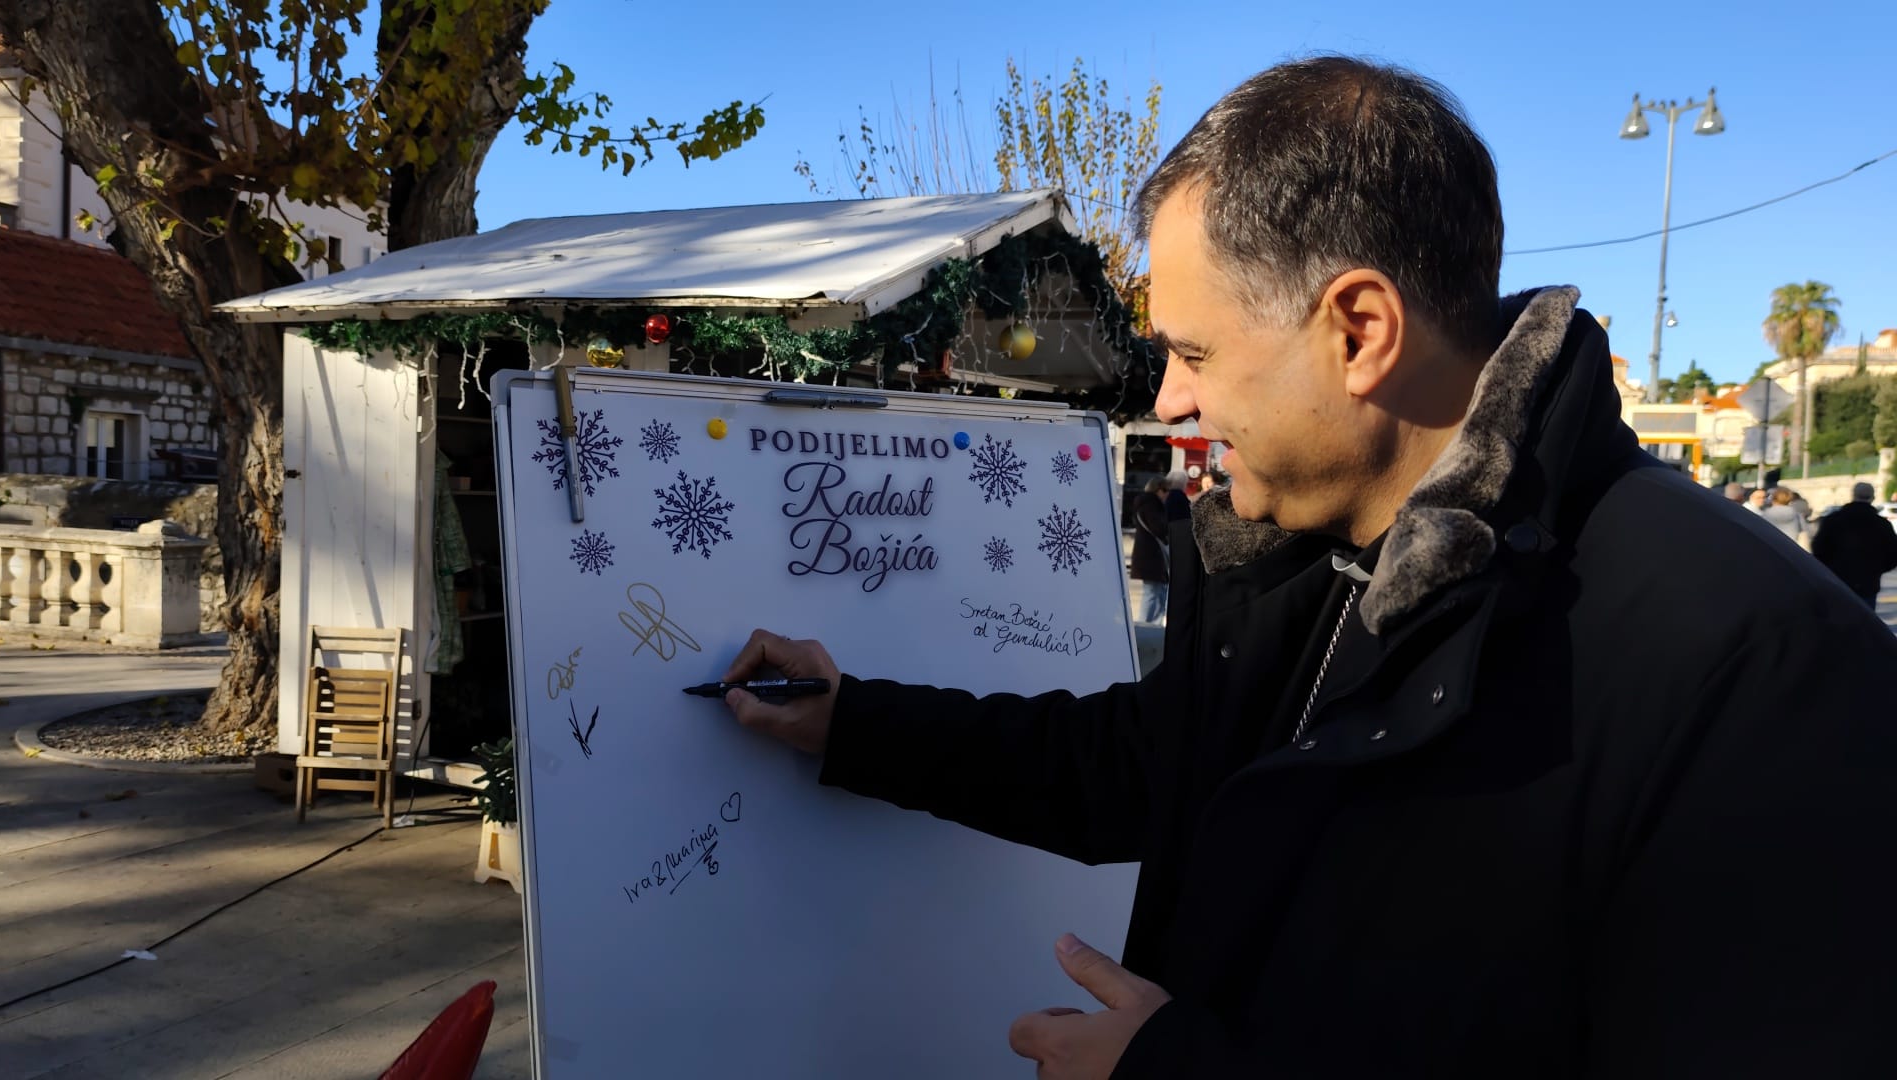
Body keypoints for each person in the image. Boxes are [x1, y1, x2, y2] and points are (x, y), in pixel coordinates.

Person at [710, 56, 1897, 1078]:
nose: (1170, 399)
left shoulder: (1757, 669)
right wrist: (850, 722)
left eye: (1193, 351)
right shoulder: (1303, 563)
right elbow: (1130, 764)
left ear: (1360, 330)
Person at [1812, 482, 1897, 606]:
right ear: (1872, 498)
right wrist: (1876, 568)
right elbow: (1893, 554)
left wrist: (1830, 568)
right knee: (1864, 616)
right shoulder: (1882, 524)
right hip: (1868, 582)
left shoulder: (1833, 520)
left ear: (1853, 495)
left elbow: (1819, 549)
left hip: (1838, 579)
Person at [1128, 476, 1171, 624]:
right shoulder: (1151, 504)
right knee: (1152, 591)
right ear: (1158, 489)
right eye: (1165, 490)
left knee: (1157, 590)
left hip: (1147, 554)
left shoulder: (1143, 503)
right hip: (1151, 555)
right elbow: (1159, 528)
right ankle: (1145, 623)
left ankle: (1153, 622)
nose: (1167, 494)